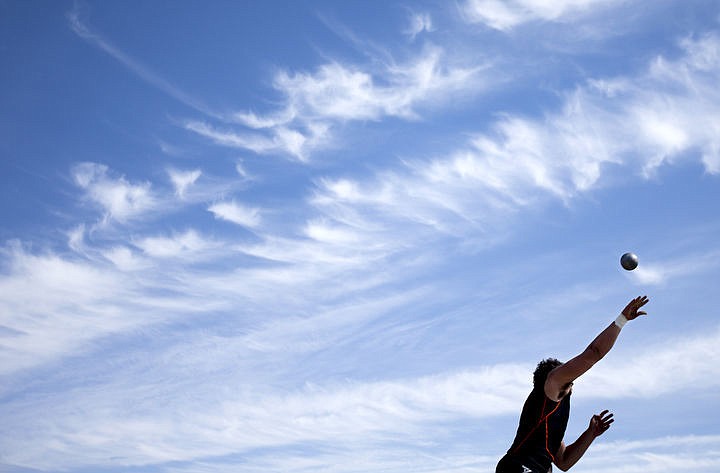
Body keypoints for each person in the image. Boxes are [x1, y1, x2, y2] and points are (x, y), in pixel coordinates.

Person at [495, 295, 650, 473]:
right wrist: (621, 320)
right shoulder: (551, 383)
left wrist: (590, 433)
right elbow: (593, 353)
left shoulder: (551, 415)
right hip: (518, 467)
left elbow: (564, 462)